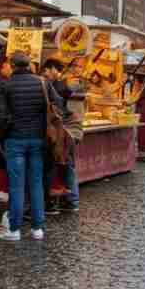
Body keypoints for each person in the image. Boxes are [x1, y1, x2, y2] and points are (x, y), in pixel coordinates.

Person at [0, 50, 63, 241]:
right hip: (38, 139)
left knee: (16, 185)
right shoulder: (43, 82)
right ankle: (37, 229)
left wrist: (3, 135)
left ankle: (14, 230)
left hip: (14, 139)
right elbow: (59, 103)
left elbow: (0, 116)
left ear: (13, 65)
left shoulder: (5, 85)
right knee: (36, 183)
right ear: (29, 65)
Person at [42, 58, 80, 213]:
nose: (44, 74)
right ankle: (71, 201)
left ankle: (56, 201)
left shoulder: (55, 86)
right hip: (67, 131)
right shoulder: (64, 85)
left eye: (45, 71)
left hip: (60, 131)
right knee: (66, 166)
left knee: (57, 166)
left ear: (52, 69)